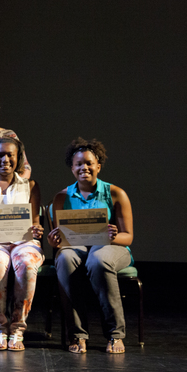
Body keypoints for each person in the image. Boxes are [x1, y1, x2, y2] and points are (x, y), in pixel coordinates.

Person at [47, 138, 133, 354]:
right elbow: (61, 241)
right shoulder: (62, 197)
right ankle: (77, 334)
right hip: (76, 249)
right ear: (72, 168)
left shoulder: (115, 193)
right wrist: (53, 242)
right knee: (65, 259)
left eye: (89, 163)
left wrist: (111, 237)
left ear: (98, 166)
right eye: (78, 164)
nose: (84, 168)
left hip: (110, 248)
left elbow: (128, 237)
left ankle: (115, 334)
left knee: (98, 260)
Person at [0, 137, 44, 351]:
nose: (5, 159)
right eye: (0, 155)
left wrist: (37, 229)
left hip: (23, 242)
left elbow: (36, 222)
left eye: (10, 154)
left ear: (18, 158)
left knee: (27, 265)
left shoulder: (30, 185)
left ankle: (18, 329)